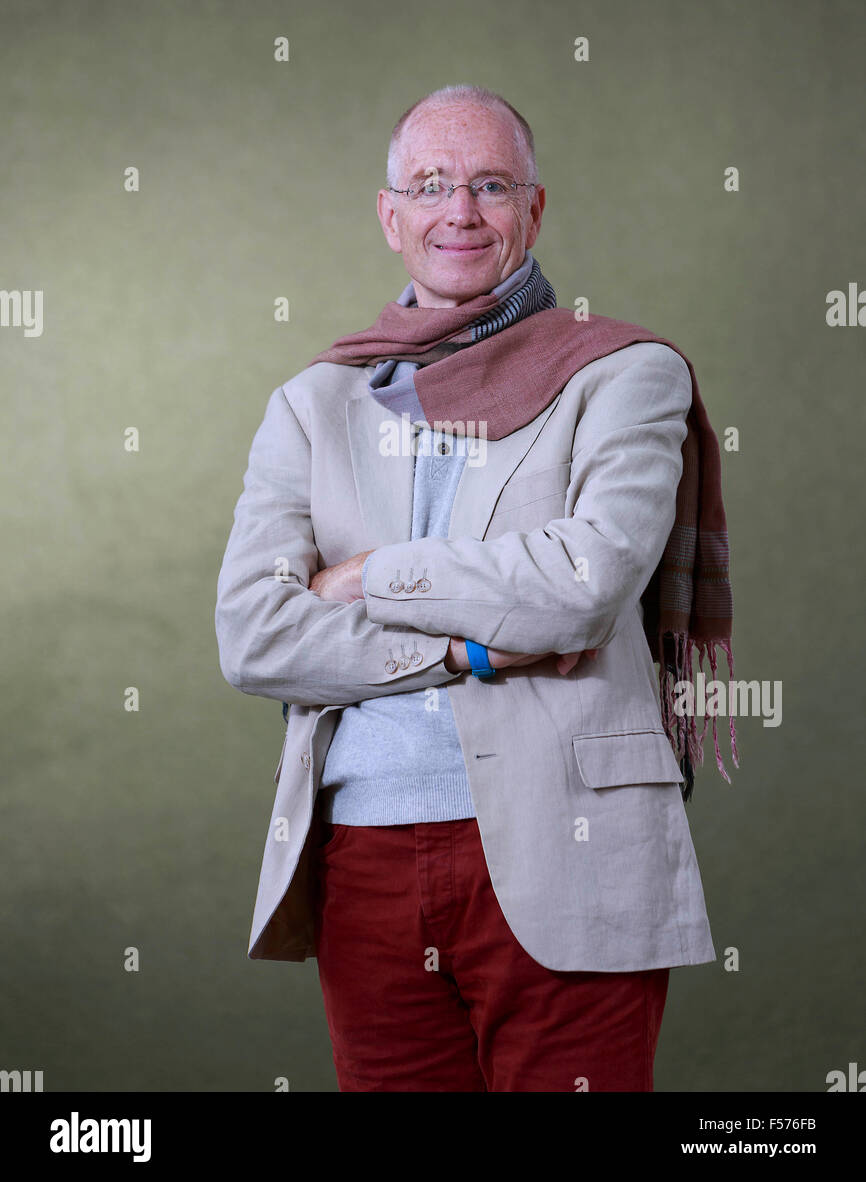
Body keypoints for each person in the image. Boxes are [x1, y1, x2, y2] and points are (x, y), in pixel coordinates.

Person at [215, 83, 737, 1092]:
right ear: (390, 214)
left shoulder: (622, 374)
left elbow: (579, 586)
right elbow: (254, 633)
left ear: (531, 211)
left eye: (489, 185)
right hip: (360, 857)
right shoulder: (313, 403)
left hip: (569, 840)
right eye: (431, 185)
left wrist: (372, 574)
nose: (458, 211)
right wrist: (463, 644)